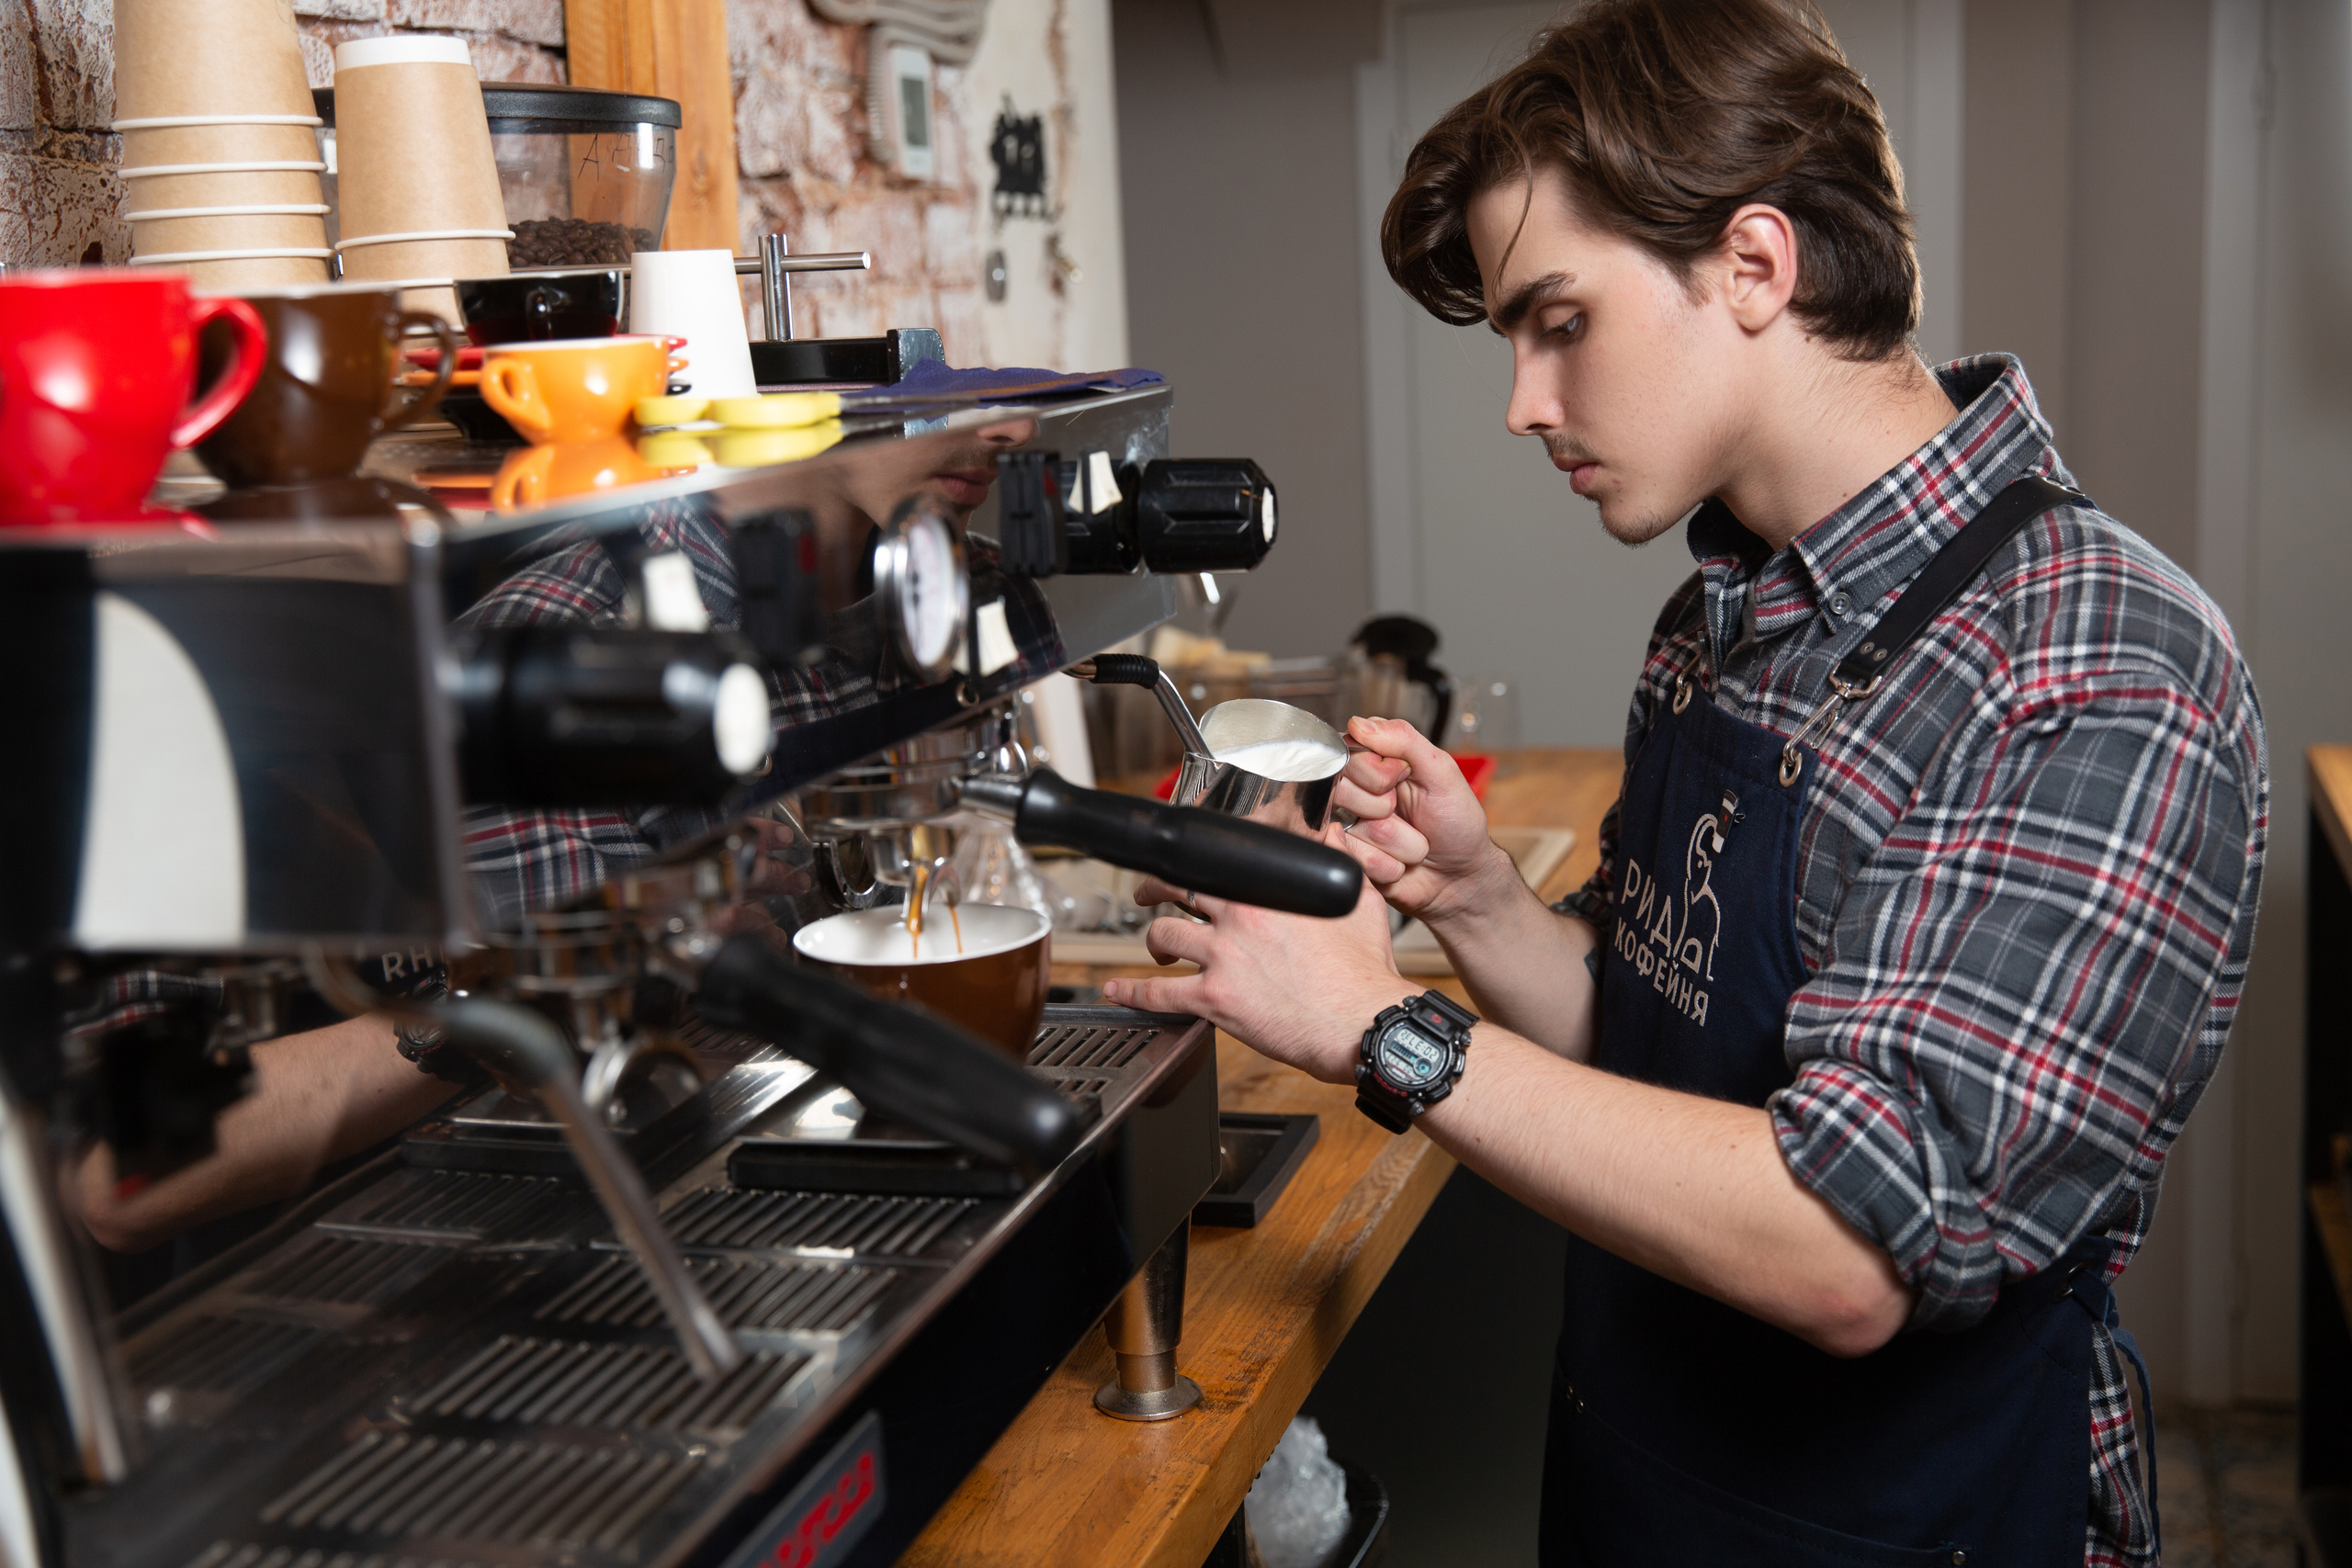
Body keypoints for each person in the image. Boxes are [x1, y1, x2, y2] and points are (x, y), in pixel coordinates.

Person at [1100, 4, 2267, 1564]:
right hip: (1640, 1489)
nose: (1521, 400)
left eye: (1559, 322)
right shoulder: (1723, 616)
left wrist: (1379, 1024)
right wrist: (1482, 906)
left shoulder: (2095, 662)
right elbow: (1663, 1039)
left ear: (1758, 266)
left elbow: (1855, 1244)